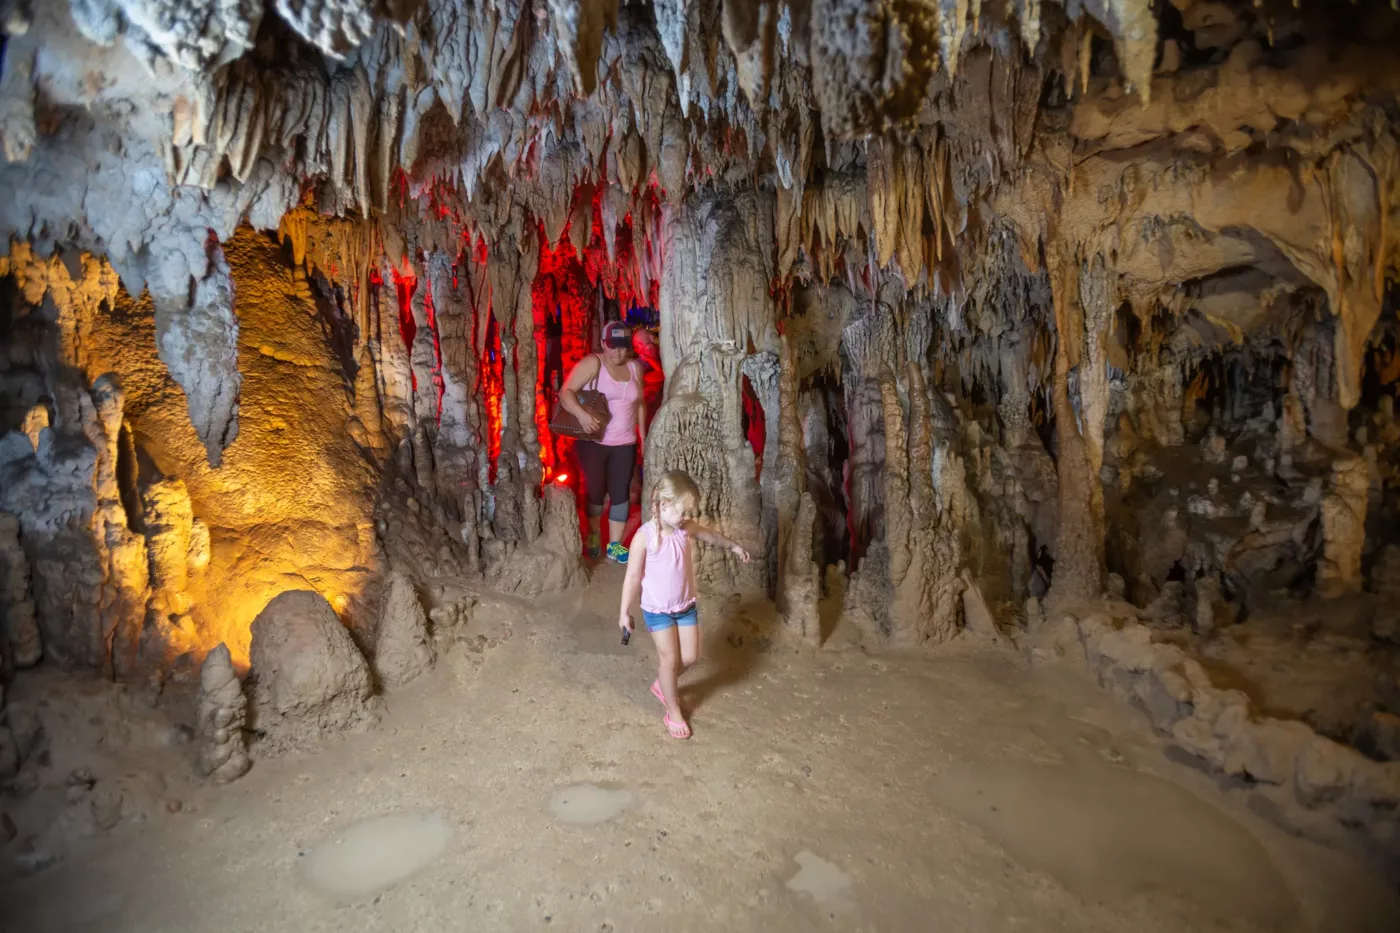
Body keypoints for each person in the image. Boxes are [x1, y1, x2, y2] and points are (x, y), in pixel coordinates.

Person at [617, 471, 751, 739]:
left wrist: (733, 546)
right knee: (670, 659)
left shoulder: (684, 529)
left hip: (685, 605)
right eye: (682, 511)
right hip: (657, 611)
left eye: (688, 512)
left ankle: (662, 686)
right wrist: (624, 612)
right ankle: (673, 710)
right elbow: (632, 577)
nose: (686, 517)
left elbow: (711, 536)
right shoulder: (644, 538)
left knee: (690, 657)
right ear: (663, 504)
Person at [560, 320, 646, 562]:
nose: (617, 352)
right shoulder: (592, 364)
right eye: (612, 346)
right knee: (596, 491)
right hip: (594, 442)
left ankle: (615, 545)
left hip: (625, 443)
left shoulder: (634, 368)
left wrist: (643, 435)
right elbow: (566, 392)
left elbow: (639, 403)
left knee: (621, 492)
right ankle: (594, 534)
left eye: (622, 347)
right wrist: (581, 415)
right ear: (603, 343)